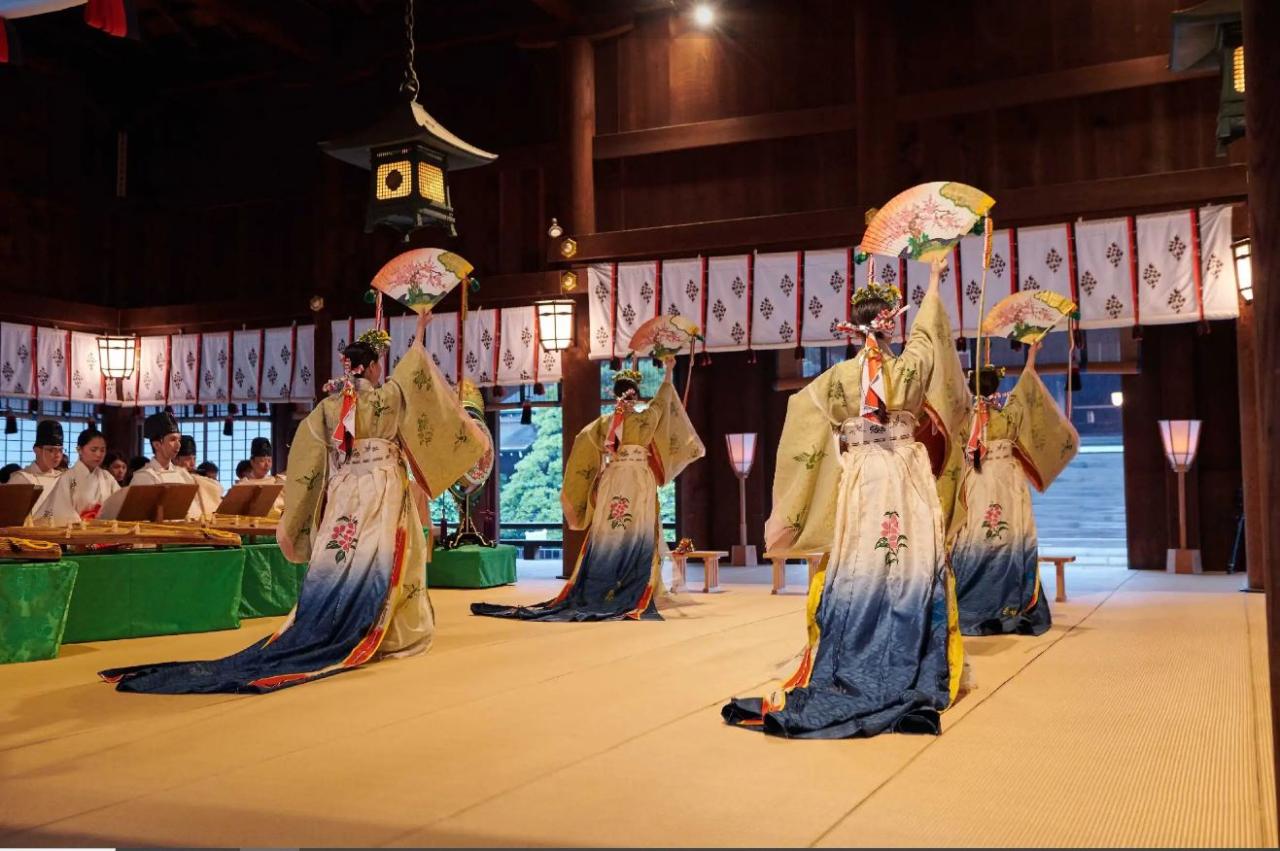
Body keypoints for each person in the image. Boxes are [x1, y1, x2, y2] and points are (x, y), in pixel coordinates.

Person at [100, 312, 486, 694]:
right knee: (390, 556)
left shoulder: (330, 406)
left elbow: (306, 454)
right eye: (377, 364)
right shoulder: (388, 397)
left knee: (343, 556)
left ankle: (336, 621)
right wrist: (419, 332)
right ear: (368, 367)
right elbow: (414, 379)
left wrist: (312, 496)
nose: (379, 370)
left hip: (345, 490)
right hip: (382, 487)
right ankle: (388, 633)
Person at [721, 256, 970, 739]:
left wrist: (839, 444)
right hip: (905, 474)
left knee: (859, 562)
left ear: (855, 330)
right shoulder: (911, 368)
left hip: (862, 477)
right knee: (910, 562)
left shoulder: (835, 381)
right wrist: (935, 279)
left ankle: (855, 651)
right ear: (890, 325)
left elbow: (802, 414)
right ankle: (909, 655)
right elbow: (928, 336)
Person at [471, 356, 704, 622]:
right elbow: (663, 400)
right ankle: (636, 585)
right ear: (636, 395)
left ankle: (603, 581)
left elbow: (583, 441)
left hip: (613, 478)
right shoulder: (647, 418)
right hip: (638, 479)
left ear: (613, 394)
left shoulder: (606, 423)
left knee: (607, 531)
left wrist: (593, 476)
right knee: (640, 530)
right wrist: (669, 371)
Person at [948, 342, 1078, 636]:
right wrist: (1031, 356)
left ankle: (981, 604)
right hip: (1003, 478)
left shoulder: (965, 417)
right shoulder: (993, 412)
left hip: (981, 478)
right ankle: (992, 604)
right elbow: (1026, 386)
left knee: (984, 534)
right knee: (995, 534)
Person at [128, 412, 203, 520]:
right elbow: (137, 518)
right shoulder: (143, 477)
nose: (178, 445)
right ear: (157, 444)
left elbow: (195, 513)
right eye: (172, 439)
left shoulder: (183, 475)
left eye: (179, 440)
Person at [36, 426, 120, 523]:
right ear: (79, 450)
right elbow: (62, 510)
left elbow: (119, 502)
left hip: (104, 529)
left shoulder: (107, 477)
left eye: (102, 450)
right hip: (77, 531)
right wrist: (82, 523)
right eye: (94, 450)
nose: (99, 454)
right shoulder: (68, 478)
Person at [9, 419, 65, 518]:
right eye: (51, 450)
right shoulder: (21, 479)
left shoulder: (63, 478)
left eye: (60, 450)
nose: (57, 455)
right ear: (37, 450)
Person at [177, 434, 223, 516]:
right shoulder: (173, 477)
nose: (192, 463)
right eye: (188, 459)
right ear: (175, 459)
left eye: (194, 458)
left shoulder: (198, 479)